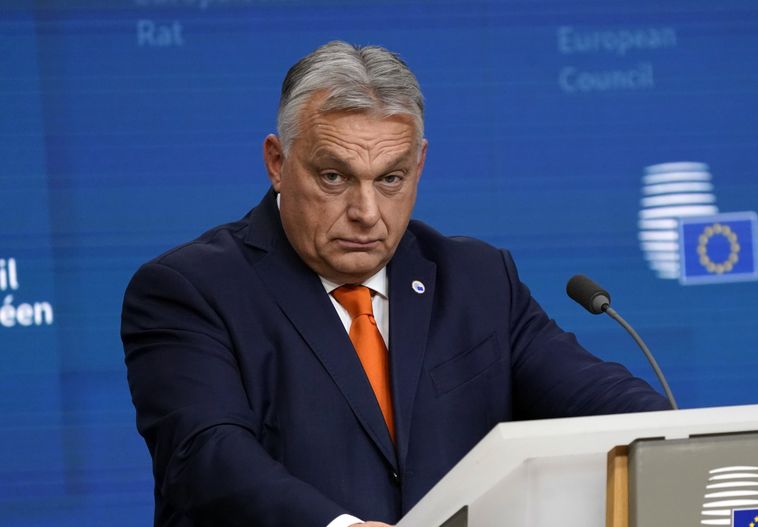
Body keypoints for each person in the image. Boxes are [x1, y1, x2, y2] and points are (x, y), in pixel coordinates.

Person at [121, 40, 671, 527]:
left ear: (419, 165)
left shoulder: (477, 279)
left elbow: (595, 395)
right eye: (334, 176)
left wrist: (682, 439)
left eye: (390, 179)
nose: (366, 212)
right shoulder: (190, 290)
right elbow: (207, 456)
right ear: (277, 161)